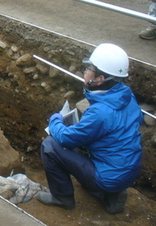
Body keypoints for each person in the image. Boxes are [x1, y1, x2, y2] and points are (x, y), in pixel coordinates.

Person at [37, 43, 143, 214]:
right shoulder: (127, 96)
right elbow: (132, 121)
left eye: (89, 69)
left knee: (50, 145)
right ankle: (110, 196)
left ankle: (62, 198)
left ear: (100, 79)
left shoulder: (100, 112)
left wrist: (55, 121)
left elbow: (65, 139)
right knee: (88, 143)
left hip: (109, 176)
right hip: (127, 172)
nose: (85, 72)